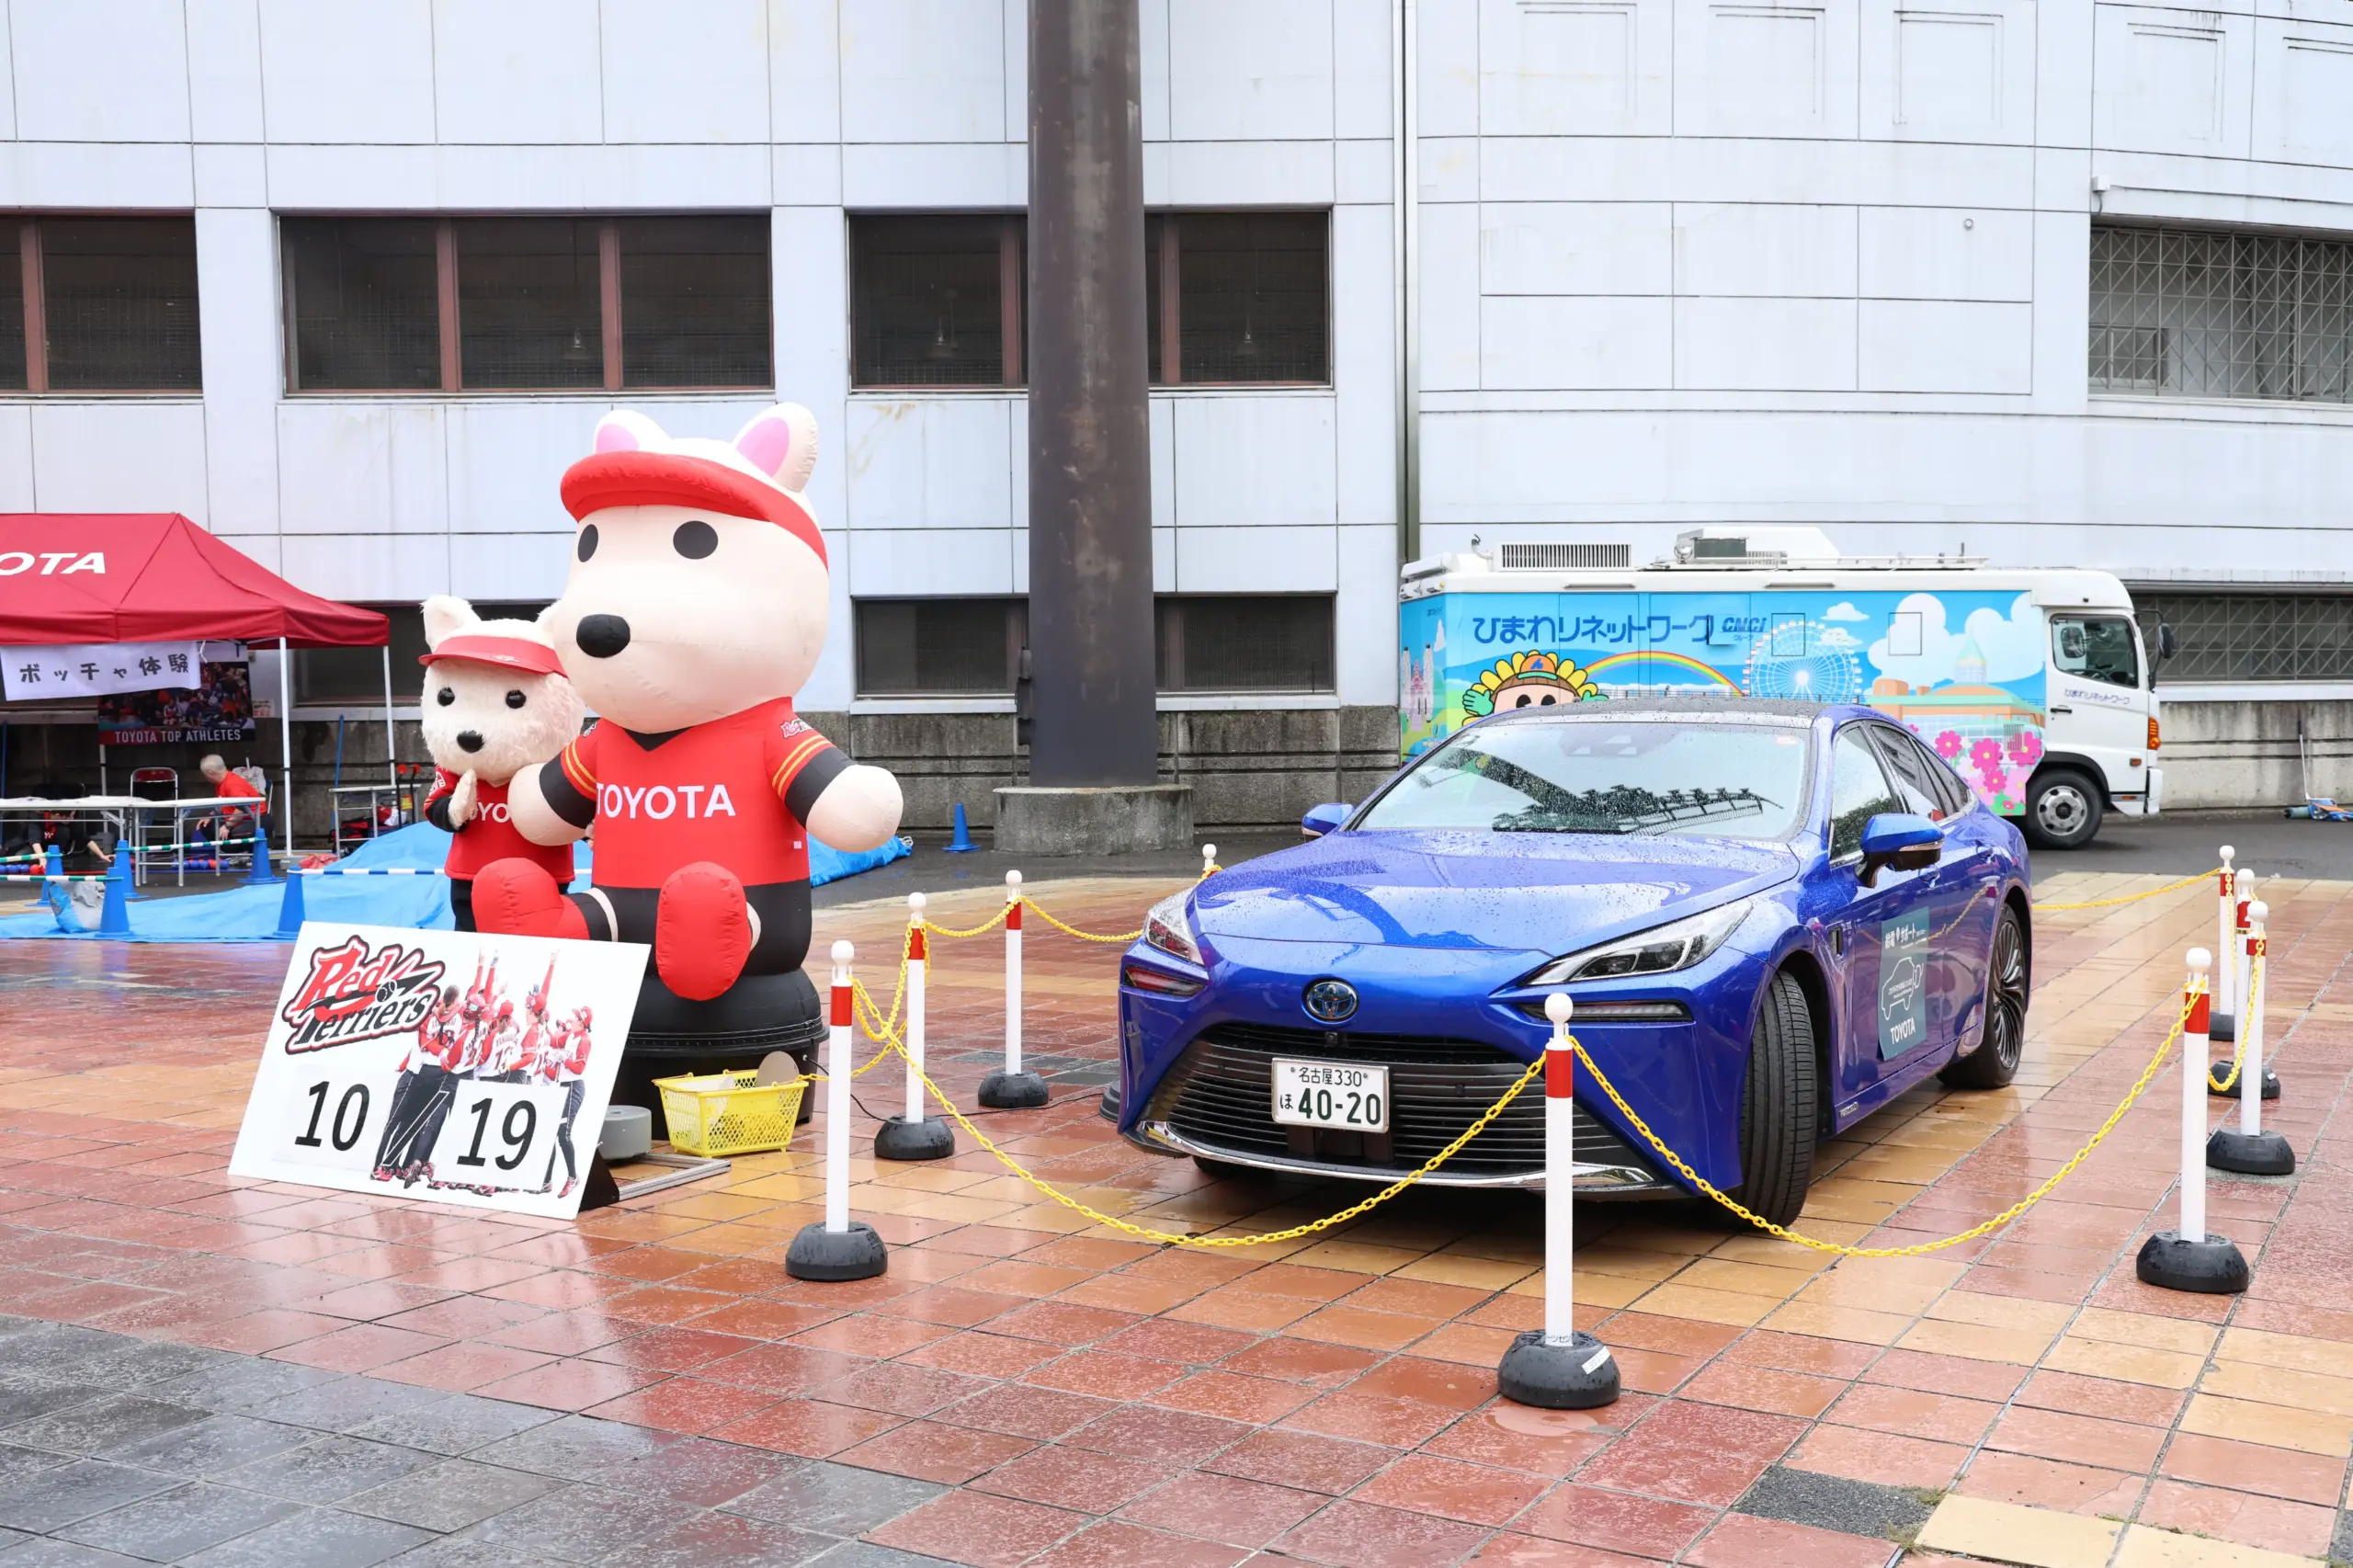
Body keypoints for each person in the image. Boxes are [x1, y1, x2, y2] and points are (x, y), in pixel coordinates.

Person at [197, 755, 267, 869]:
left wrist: (228, 826)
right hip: (238, 818)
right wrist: (210, 816)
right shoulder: (221, 783)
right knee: (206, 825)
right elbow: (222, 802)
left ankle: (246, 852)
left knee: (236, 832)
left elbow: (242, 807)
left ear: (210, 772)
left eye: (205, 775)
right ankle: (237, 853)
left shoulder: (232, 783)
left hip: (256, 819)